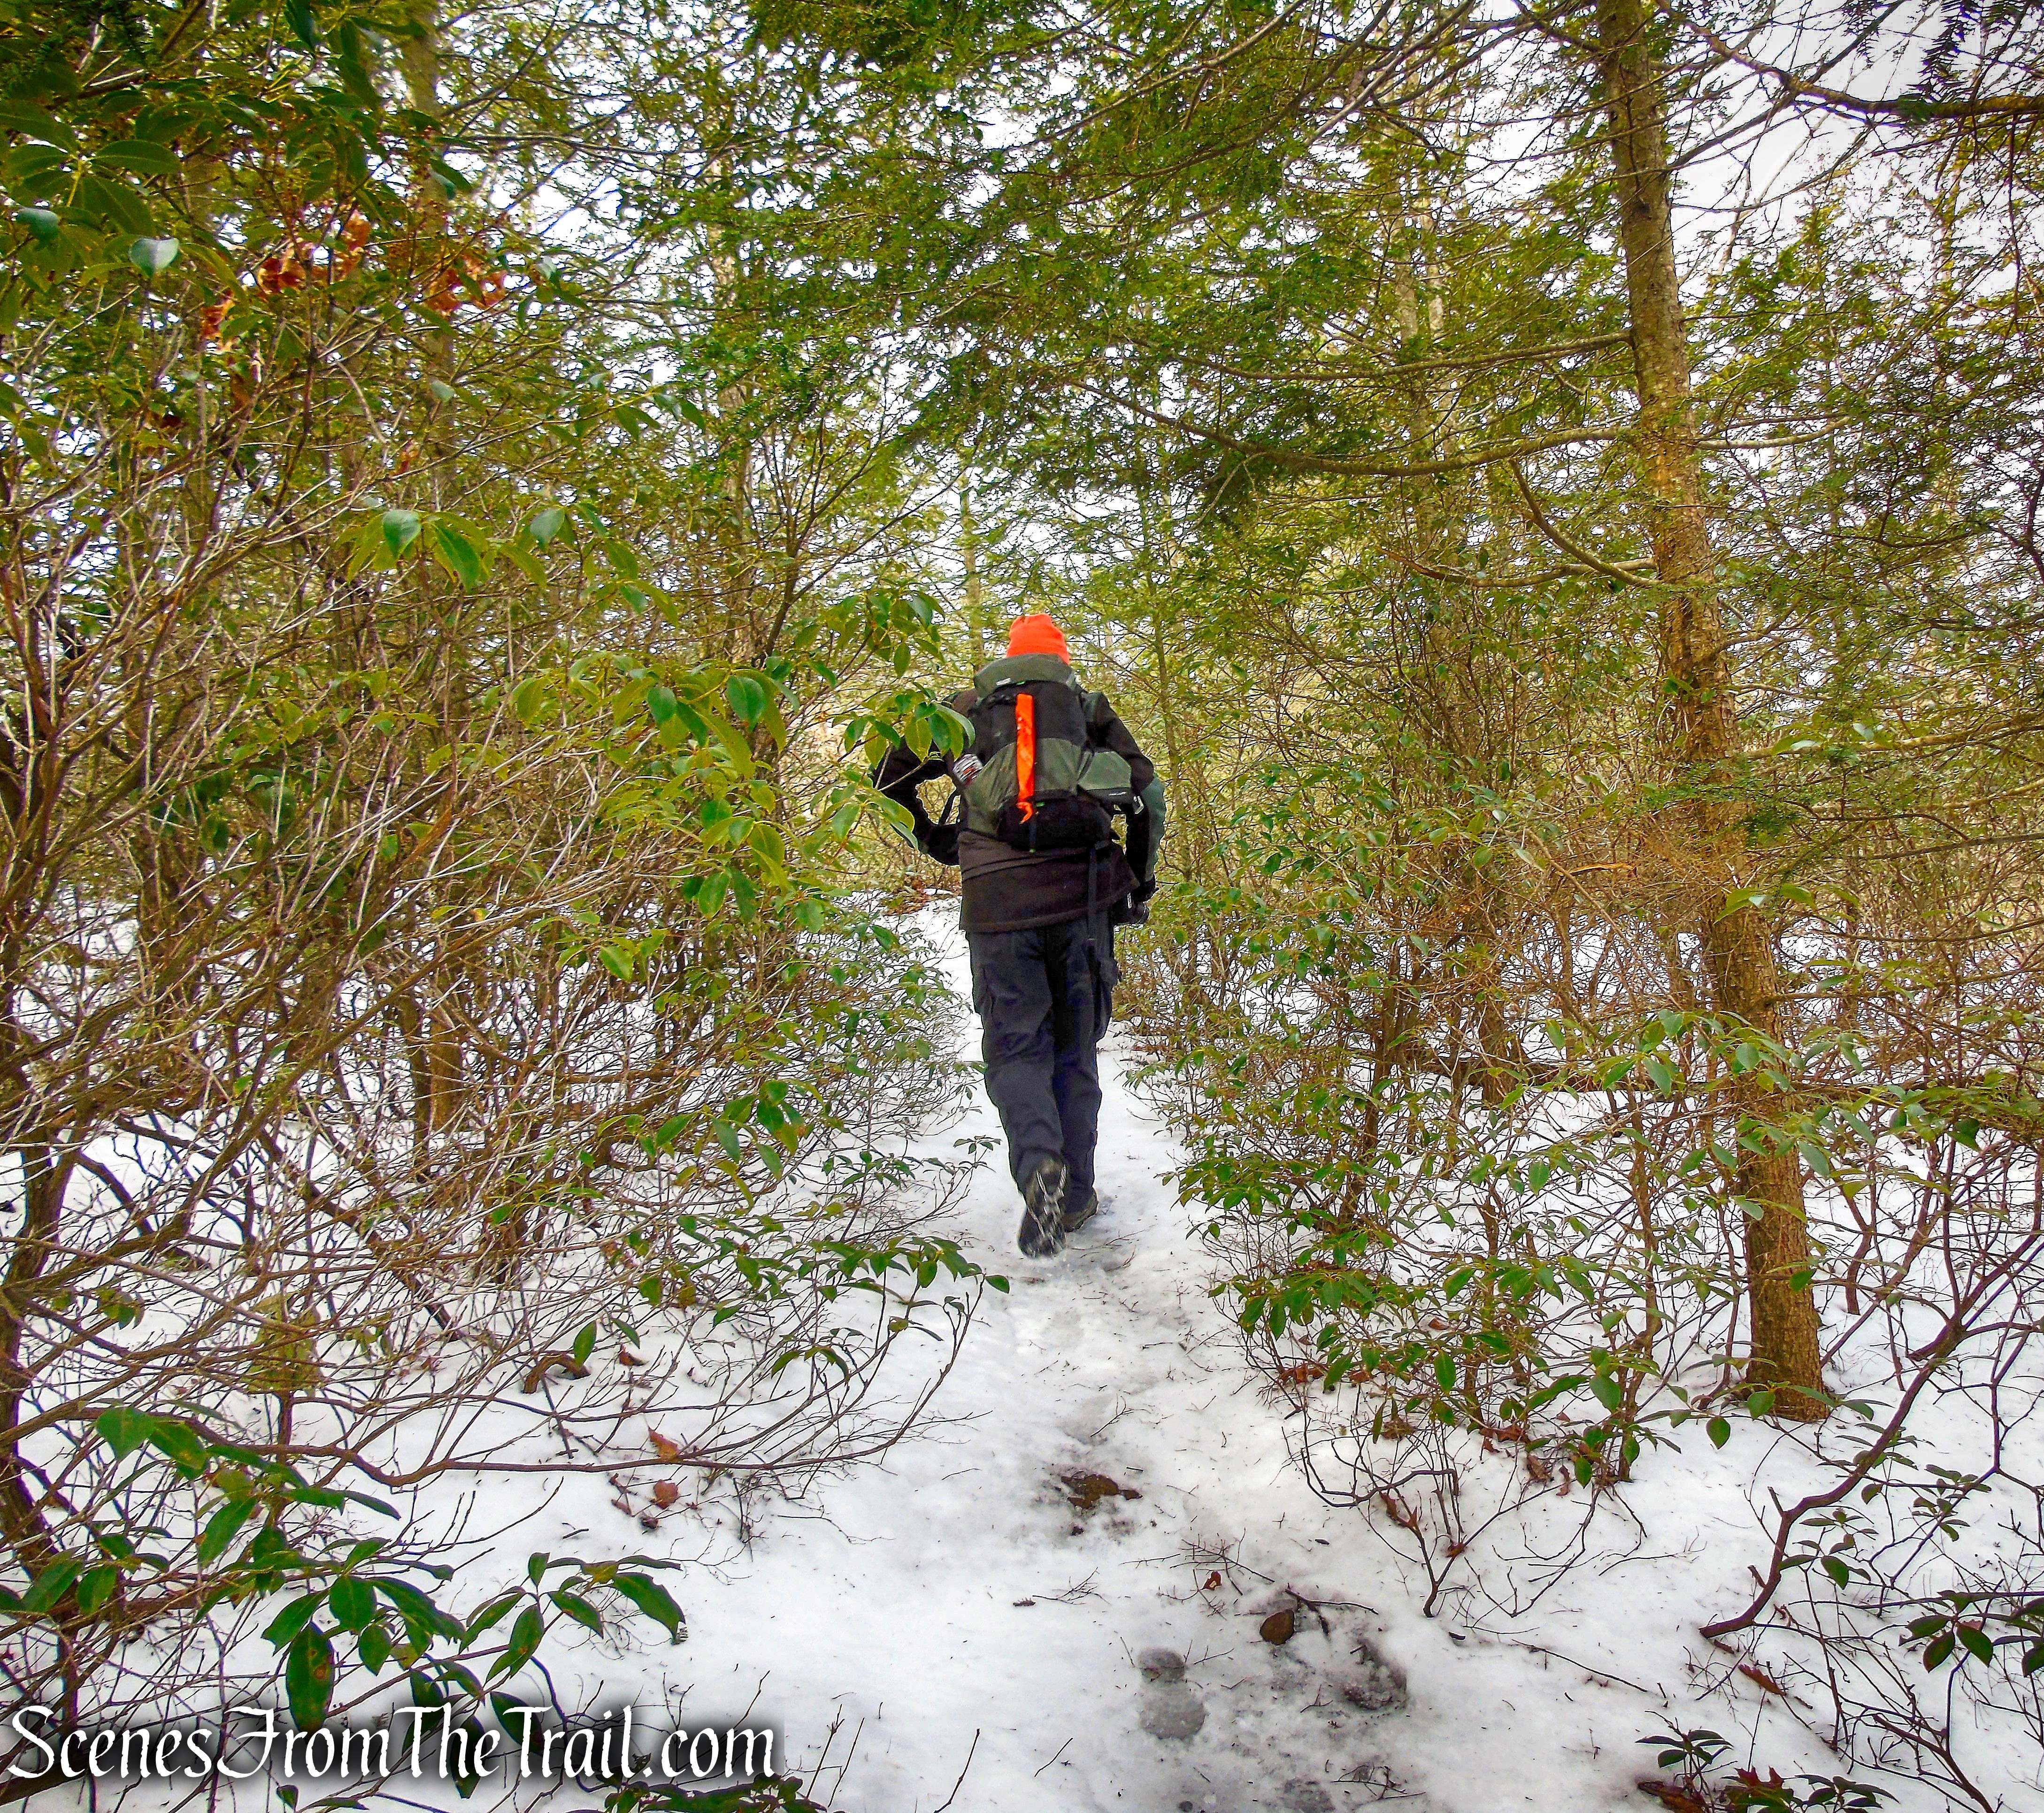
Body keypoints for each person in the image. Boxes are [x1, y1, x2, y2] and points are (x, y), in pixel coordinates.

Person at [876, 613, 1165, 1256]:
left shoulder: (957, 713)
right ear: (1061, 660)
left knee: (1015, 1047)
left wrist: (937, 842)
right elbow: (1152, 797)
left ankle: (1038, 1166)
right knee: (1074, 1048)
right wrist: (1139, 885)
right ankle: (1079, 1196)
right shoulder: (1087, 708)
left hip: (998, 906)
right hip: (1083, 901)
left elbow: (882, 784)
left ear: (1006, 659)